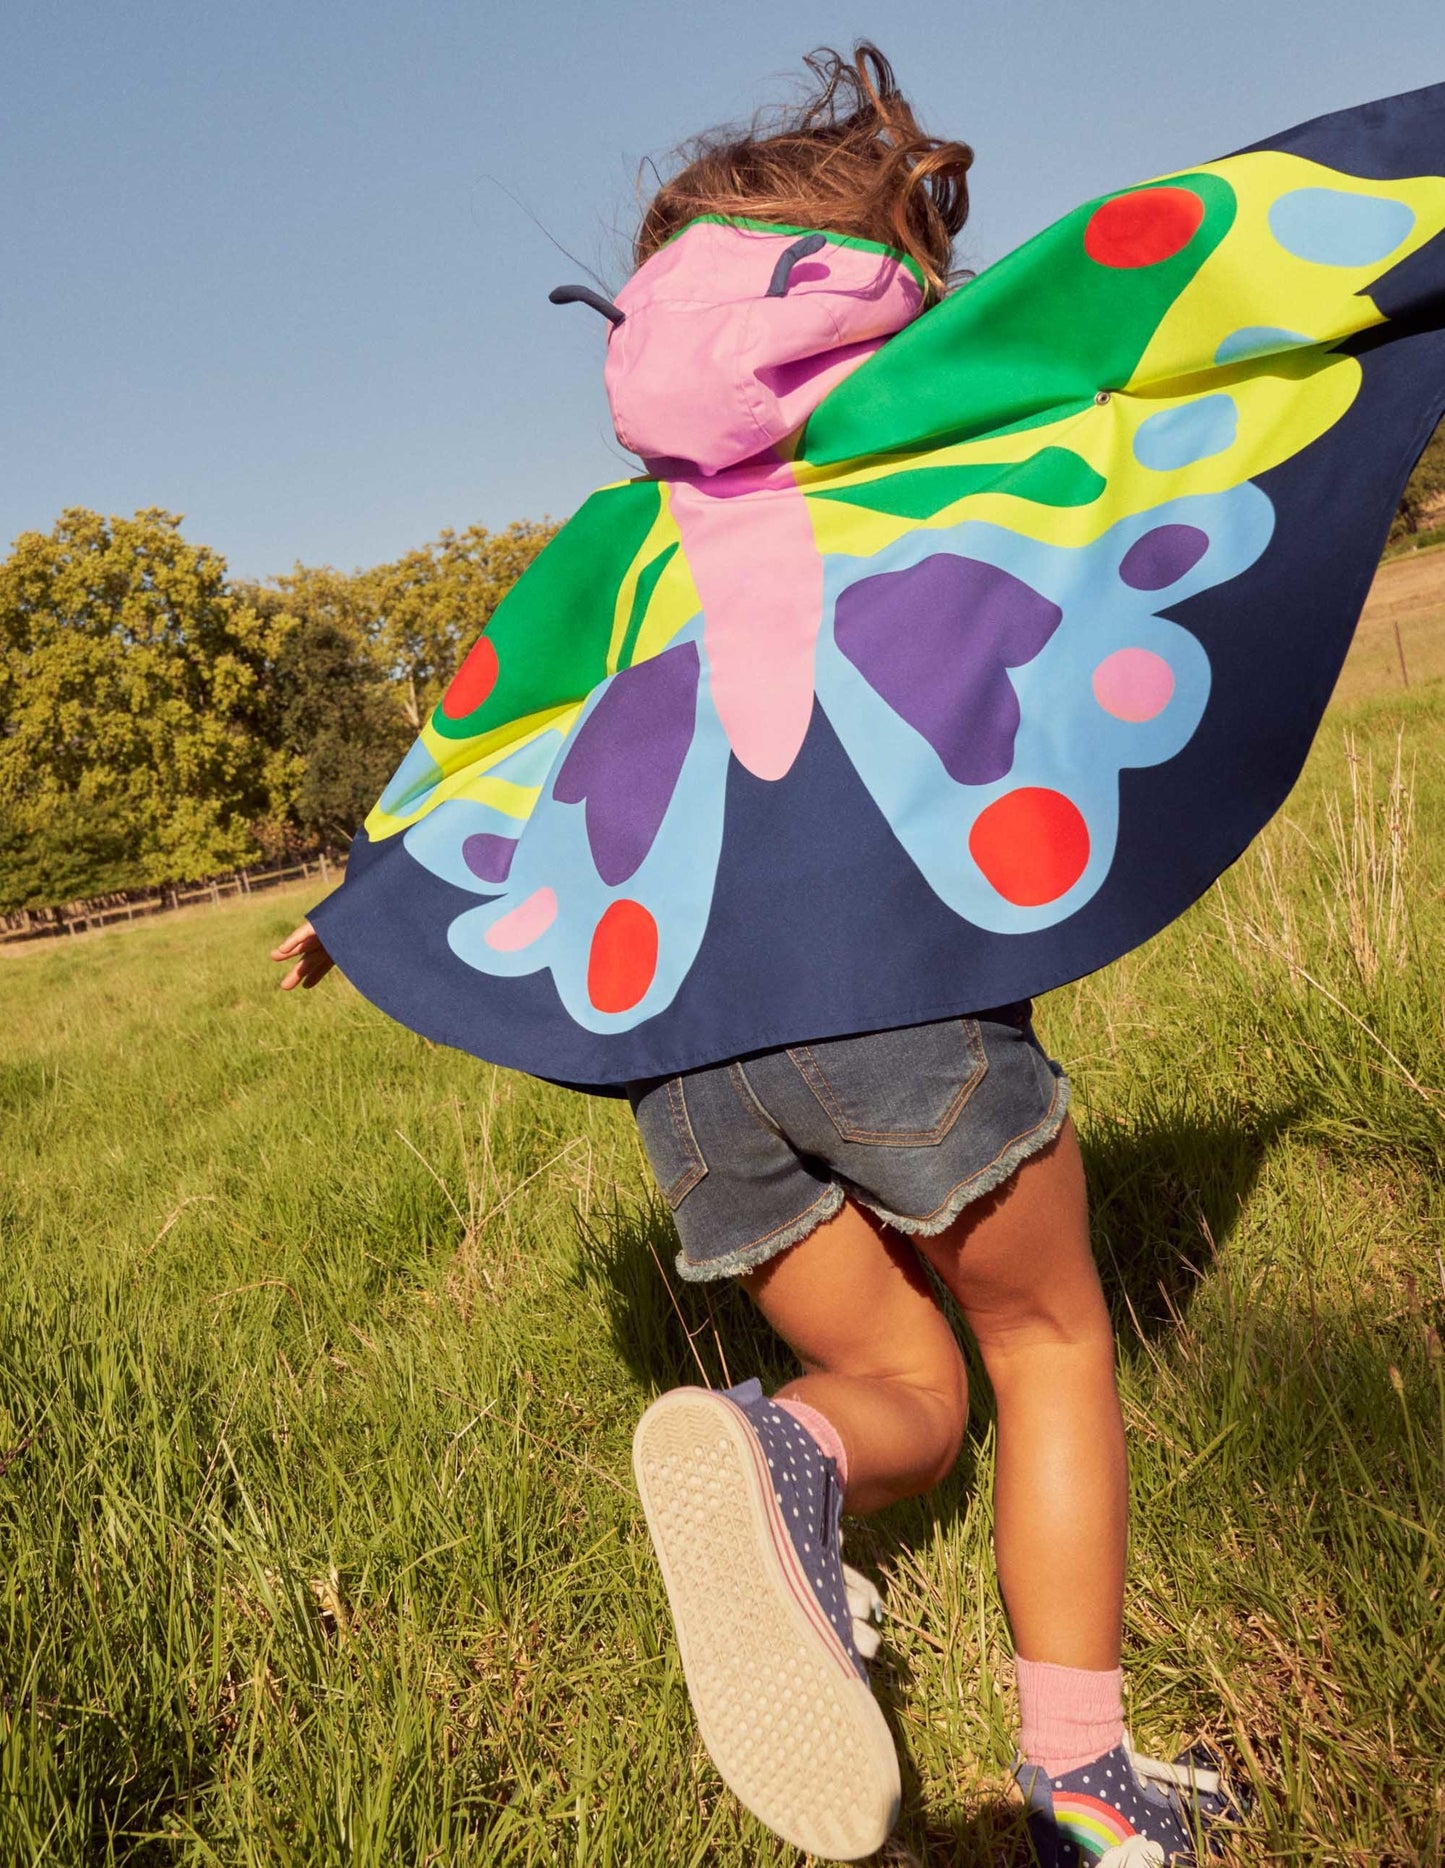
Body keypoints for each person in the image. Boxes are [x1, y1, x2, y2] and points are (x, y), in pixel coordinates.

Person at [273, 44, 1248, 1866]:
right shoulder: (949, 449)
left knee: (902, 1397)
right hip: (903, 1009)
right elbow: (1198, 379)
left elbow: (480, 735)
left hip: (687, 1065)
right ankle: (1091, 1789)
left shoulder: (612, 544)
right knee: (1043, 1344)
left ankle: (777, 1455)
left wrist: (360, 899)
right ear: (885, 285)